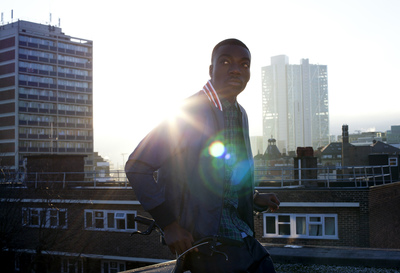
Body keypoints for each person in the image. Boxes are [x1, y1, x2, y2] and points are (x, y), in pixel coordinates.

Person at [125, 38, 280, 272]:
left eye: (244, 64)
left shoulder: (239, 113)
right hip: (205, 244)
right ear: (211, 69)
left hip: (240, 234)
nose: (236, 69)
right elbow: (137, 166)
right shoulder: (189, 112)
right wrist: (169, 225)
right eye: (226, 61)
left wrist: (253, 196)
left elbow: (225, 171)